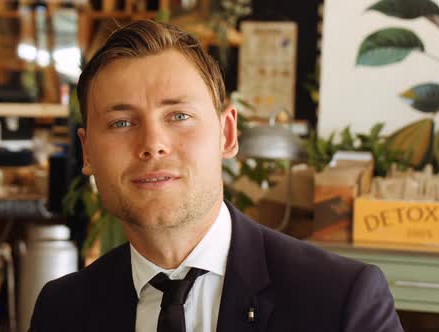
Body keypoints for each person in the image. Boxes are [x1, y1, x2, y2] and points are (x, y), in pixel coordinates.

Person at [29, 20, 404, 332]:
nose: (153, 144)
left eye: (178, 116)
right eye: (121, 122)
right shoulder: (62, 311)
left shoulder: (340, 300)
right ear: (88, 152)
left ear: (227, 134)